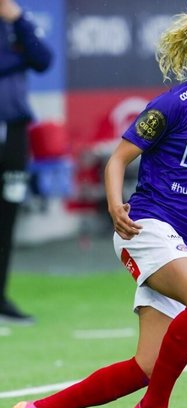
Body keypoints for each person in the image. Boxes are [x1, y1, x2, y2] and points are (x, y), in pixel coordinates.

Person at [12, 8, 187, 408]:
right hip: (146, 227)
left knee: (145, 366)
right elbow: (118, 159)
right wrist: (114, 207)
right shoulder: (175, 104)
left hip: (183, 246)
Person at [0, 0, 53, 324]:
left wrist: (18, 19)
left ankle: (0, 298)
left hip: (15, 132)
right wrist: (17, 58)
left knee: (7, 215)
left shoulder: (15, 21)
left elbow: (43, 59)